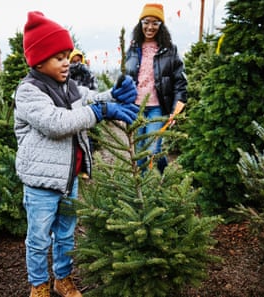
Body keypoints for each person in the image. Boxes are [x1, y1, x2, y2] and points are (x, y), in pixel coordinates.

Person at [14, 11, 139, 297]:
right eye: (59, 57)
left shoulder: (68, 86)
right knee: (38, 238)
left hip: (70, 178)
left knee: (66, 234)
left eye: (68, 55)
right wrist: (100, 112)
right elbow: (56, 124)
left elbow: (90, 99)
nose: (67, 62)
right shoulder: (29, 92)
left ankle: (62, 279)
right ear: (39, 60)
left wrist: (114, 95)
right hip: (41, 184)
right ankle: (39, 285)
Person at [125, 3, 187, 174]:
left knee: (152, 150)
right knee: (139, 152)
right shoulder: (132, 49)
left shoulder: (169, 50)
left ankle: (161, 174)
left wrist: (177, 108)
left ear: (161, 26)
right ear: (141, 23)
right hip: (136, 108)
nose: (150, 27)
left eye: (155, 23)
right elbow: (125, 78)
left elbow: (180, 82)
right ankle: (143, 190)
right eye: (146, 22)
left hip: (157, 108)